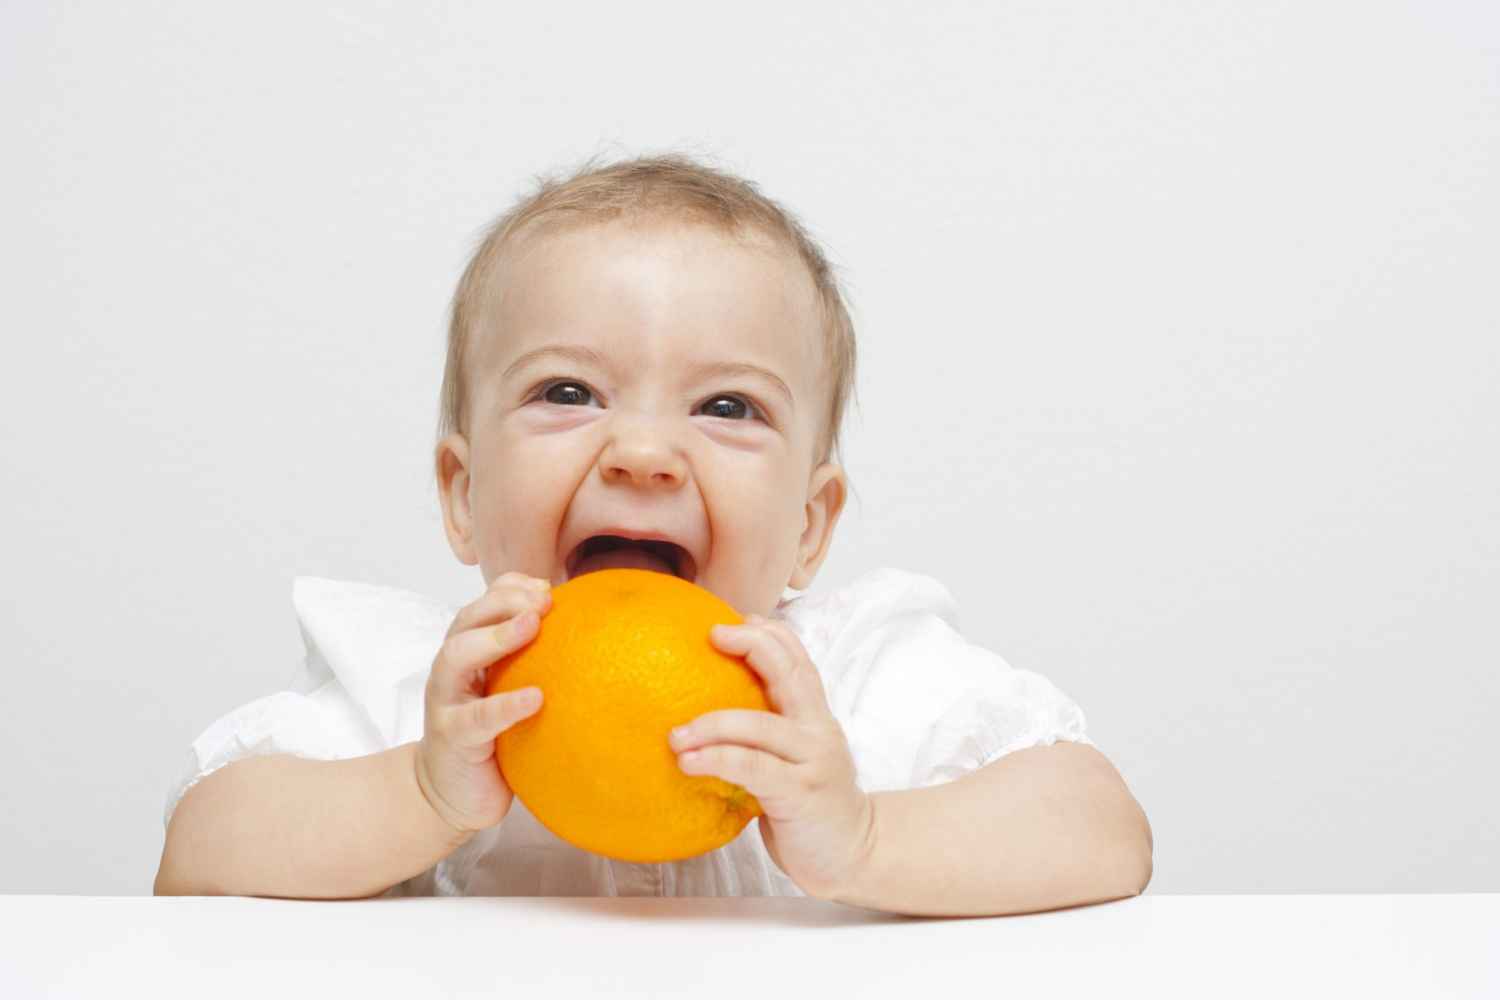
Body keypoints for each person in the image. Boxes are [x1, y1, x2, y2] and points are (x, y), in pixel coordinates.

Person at [154, 152, 1152, 915]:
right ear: (464, 492)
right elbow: (199, 854)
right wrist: (419, 792)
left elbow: (1105, 830)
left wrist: (863, 835)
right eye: (569, 391)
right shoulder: (423, 693)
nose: (643, 451)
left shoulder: (854, 682)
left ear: (809, 526)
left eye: (726, 406)